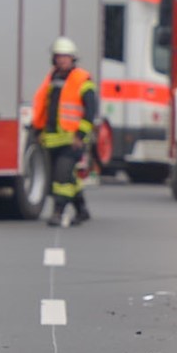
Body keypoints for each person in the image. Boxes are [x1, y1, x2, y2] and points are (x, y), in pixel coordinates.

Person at [29, 36, 100, 226]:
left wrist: (81, 135)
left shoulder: (82, 80)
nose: (62, 60)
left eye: (66, 57)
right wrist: (37, 130)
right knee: (67, 177)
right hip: (52, 138)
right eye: (59, 56)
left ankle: (58, 212)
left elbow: (91, 110)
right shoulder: (51, 78)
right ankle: (81, 209)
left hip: (72, 140)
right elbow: (44, 105)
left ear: (73, 59)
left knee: (61, 177)